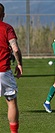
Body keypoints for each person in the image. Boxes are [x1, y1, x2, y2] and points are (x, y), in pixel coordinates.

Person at [0, 3, 23, 133]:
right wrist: (19, 64)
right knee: (11, 103)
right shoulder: (7, 28)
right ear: (3, 15)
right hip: (4, 71)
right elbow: (15, 49)